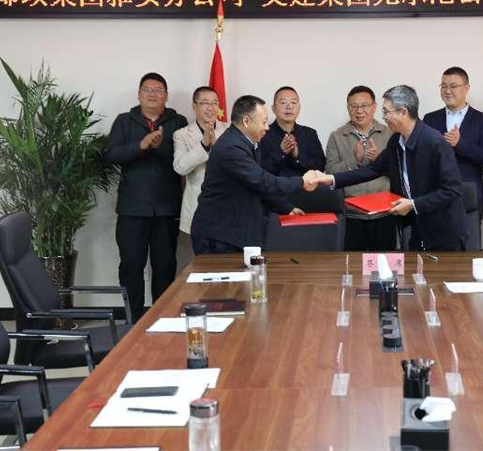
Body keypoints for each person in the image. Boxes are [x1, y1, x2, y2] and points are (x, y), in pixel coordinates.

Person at [317, 85, 467, 251]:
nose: (383, 117)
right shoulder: (396, 141)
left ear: (403, 112)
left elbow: (452, 190)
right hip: (418, 226)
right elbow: (372, 170)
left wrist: (413, 204)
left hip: (444, 230)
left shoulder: (434, 142)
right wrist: (331, 179)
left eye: (386, 111)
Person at [190, 95, 321, 255]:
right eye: (263, 122)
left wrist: (287, 207)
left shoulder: (245, 142)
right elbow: (262, 180)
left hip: (234, 232)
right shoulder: (232, 147)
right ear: (246, 121)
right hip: (218, 236)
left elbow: (255, 186)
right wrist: (302, 182)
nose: (267, 127)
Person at [105, 72, 188, 322]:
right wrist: (141, 146)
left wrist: (158, 147)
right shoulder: (124, 121)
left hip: (166, 208)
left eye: (158, 90)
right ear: (139, 94)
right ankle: (133, 320)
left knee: (165, 266)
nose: (152, 94)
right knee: (131, 265)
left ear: (166, 95)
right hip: (132, 208)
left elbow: (184, 160)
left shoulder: (178, 121)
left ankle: (163, 318)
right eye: (147, 89)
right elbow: (111, 155)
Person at [325, 86, 396, 251]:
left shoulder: (390, 134)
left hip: (384, 212)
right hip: (352, 214)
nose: (359, 111)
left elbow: (401, 171)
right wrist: (353, 160)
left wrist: (381, 161)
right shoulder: (337, 136)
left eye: (364, 105)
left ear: (374, 107)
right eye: (354, 106)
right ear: (348, 108)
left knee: (385, 262)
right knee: (353, 263)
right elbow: (330, 172)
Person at [423, 66, 483, 219]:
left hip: (468, 197)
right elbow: (422, 155)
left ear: (466, 88)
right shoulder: (430, 119)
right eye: (443, 86)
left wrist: (460, 144)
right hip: (435, 195)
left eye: (453, 86)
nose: (447, 91)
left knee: (469, 236)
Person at [172, 86, 229, 270]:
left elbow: (237, 165)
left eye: (215, 103)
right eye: (205, 103)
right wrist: (203, 145)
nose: (210, 108)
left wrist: (216, 147)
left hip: (227, 208)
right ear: (194, 107)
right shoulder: (181, 134)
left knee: (228, 266)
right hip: (198, 209)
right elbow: (180, 167)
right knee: (200, 266)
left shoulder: (230, 130)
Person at [259, 86, 326, 177]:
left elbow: (321, 167)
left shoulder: (310, 134)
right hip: (274, 186)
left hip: (305, 186)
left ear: (299, 108)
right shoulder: (262, 134)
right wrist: (281, 152)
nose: (289, 107)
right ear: (273, 108)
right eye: (283, 102)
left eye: (293, 102)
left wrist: (298, 156)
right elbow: (258, 170)